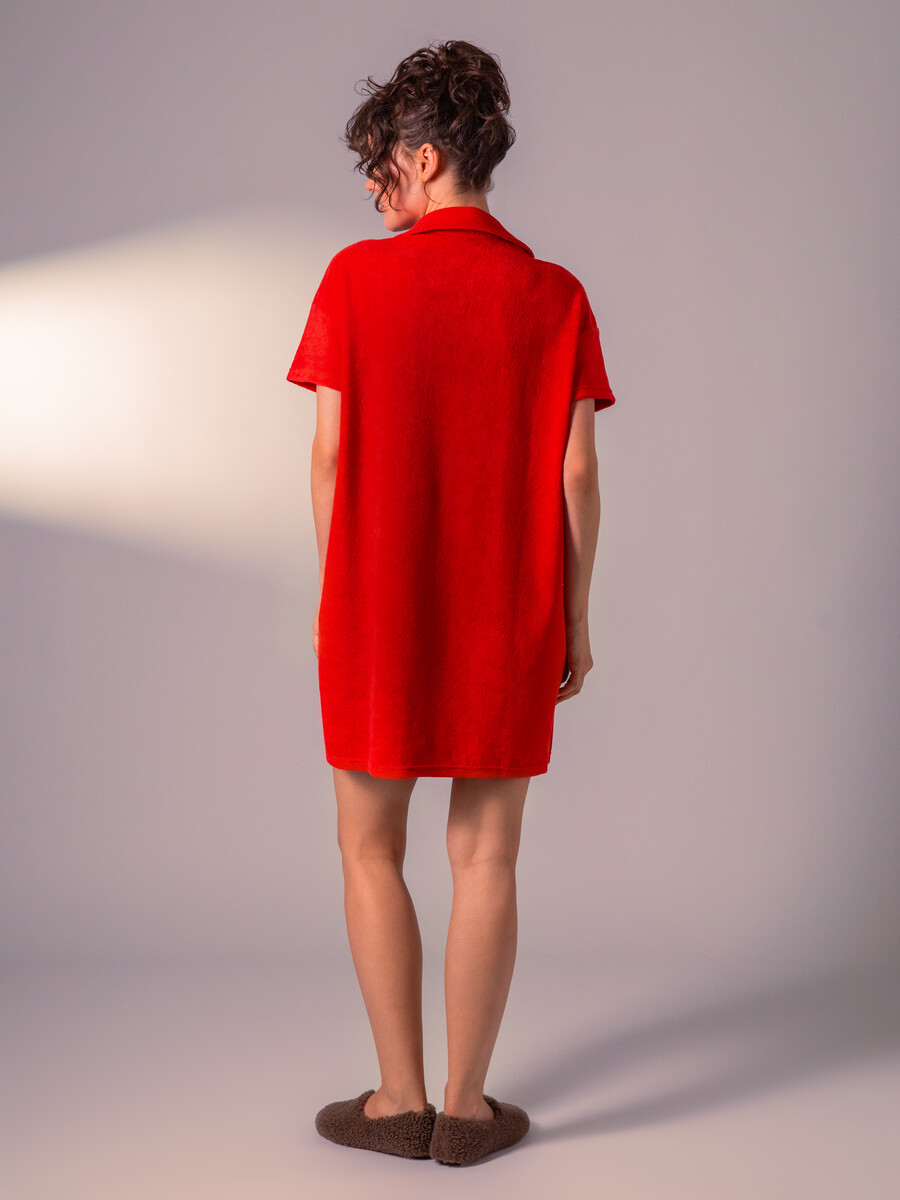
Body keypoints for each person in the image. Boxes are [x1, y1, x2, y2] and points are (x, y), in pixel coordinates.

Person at [286, 39, 616, 1166]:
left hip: (377, 609)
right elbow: (577, 476)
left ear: (425, 158)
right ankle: (468, 1114)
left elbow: (330, 459)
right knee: (488, 859)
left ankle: (397, 1099)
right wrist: (575, 618)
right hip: (505, 612)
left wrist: (341, 591)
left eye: (380, 163)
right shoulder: (555, 294)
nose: (372, 188)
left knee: (368, 848)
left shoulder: (353, 281)